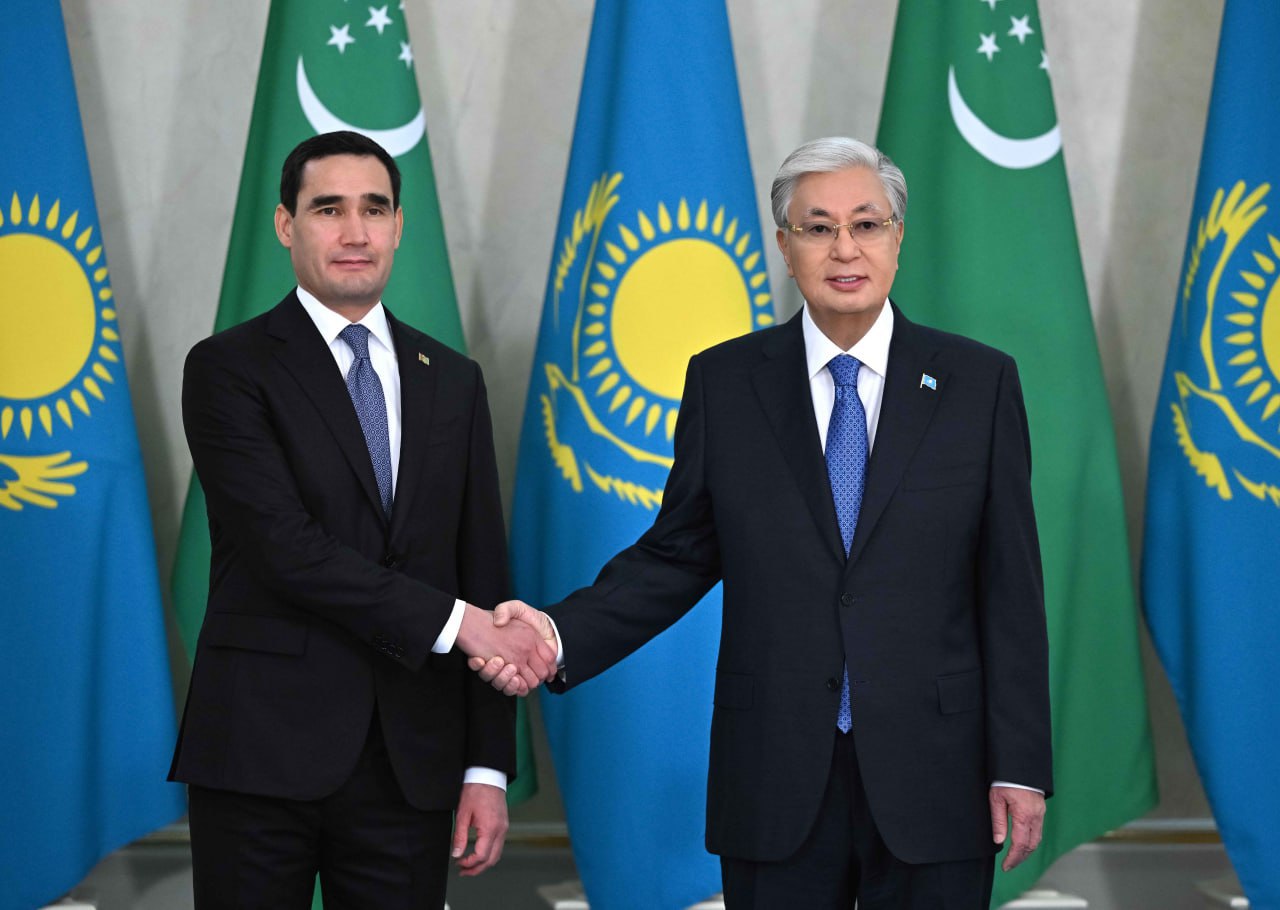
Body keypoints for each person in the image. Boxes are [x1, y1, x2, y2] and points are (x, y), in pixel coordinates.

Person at [476, 137, 1052, 908]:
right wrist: (556, 635)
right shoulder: (725, 382)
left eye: (867, 224)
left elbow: (1011, 589)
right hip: (774, 774)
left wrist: (1019, 763)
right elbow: (677, 555)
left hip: (936, 772)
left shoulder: (978, 383)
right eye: (817, 228)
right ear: (784, 245)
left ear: (898, 237)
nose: (844, 248)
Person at [170, 130, 554, 909]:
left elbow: (482, 567)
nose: (355, 232)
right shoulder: (227, 368)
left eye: (374, 209)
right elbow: (285, 549)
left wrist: (486, 767)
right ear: (286, 225)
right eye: (329, 209)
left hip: (411, 762)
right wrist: (461, 624)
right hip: (260, 753)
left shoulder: (453, 380)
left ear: (399, 226)